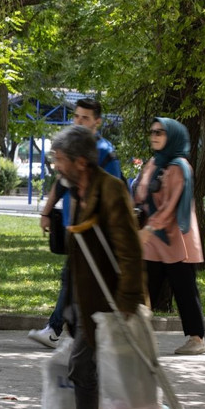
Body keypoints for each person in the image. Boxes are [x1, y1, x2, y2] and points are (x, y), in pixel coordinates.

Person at [49, 125, 171, 409]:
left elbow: (129, 250)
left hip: (111, 301)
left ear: (80, 162)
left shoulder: (110, 189)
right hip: (90, 299)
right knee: (88, 369)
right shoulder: (78, 190)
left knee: (102, 369)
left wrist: (127, 303)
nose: (56, 166)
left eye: (60, 159)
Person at [31, 98, 121, 348]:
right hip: (75, 226)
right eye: (77, 116)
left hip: (95, 229)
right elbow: (61, 182)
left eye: (85, 118)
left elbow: (113, 191)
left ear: (97, 122)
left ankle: (58, 330)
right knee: (75, 278)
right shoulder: (72, 147)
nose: (79, 121)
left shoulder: (104, 151)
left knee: (74, 278)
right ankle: (76, 333)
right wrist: (46, 212)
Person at [134, 117, 205, 355]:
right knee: (145, 285)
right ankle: (136, 335)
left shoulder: (179, 167)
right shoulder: (155, 162)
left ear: (172, 136)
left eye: (160, 132)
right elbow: (140, 195)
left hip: (177, 239)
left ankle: (197, 339)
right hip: (155, 238)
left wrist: (149, 227)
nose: (154, 136)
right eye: (152, 131)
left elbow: (171, 206)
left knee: (184, 289)